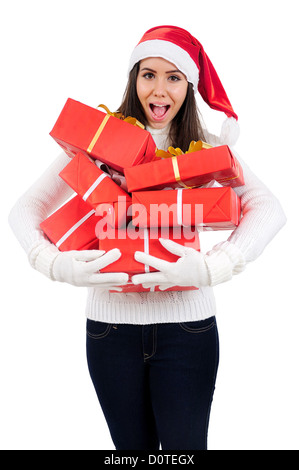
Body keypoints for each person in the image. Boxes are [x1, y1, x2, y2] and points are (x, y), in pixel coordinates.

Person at [8, 25, 286, 450]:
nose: (159, 90)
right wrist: (53, 263)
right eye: (148, 74)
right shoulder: (100, 141)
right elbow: (24, 210)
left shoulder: (205, 148)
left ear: (188, 85)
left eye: (174, 77)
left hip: (187, 330)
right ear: (133, 79)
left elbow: (268, 208)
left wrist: (214, 266)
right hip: (109, 331)